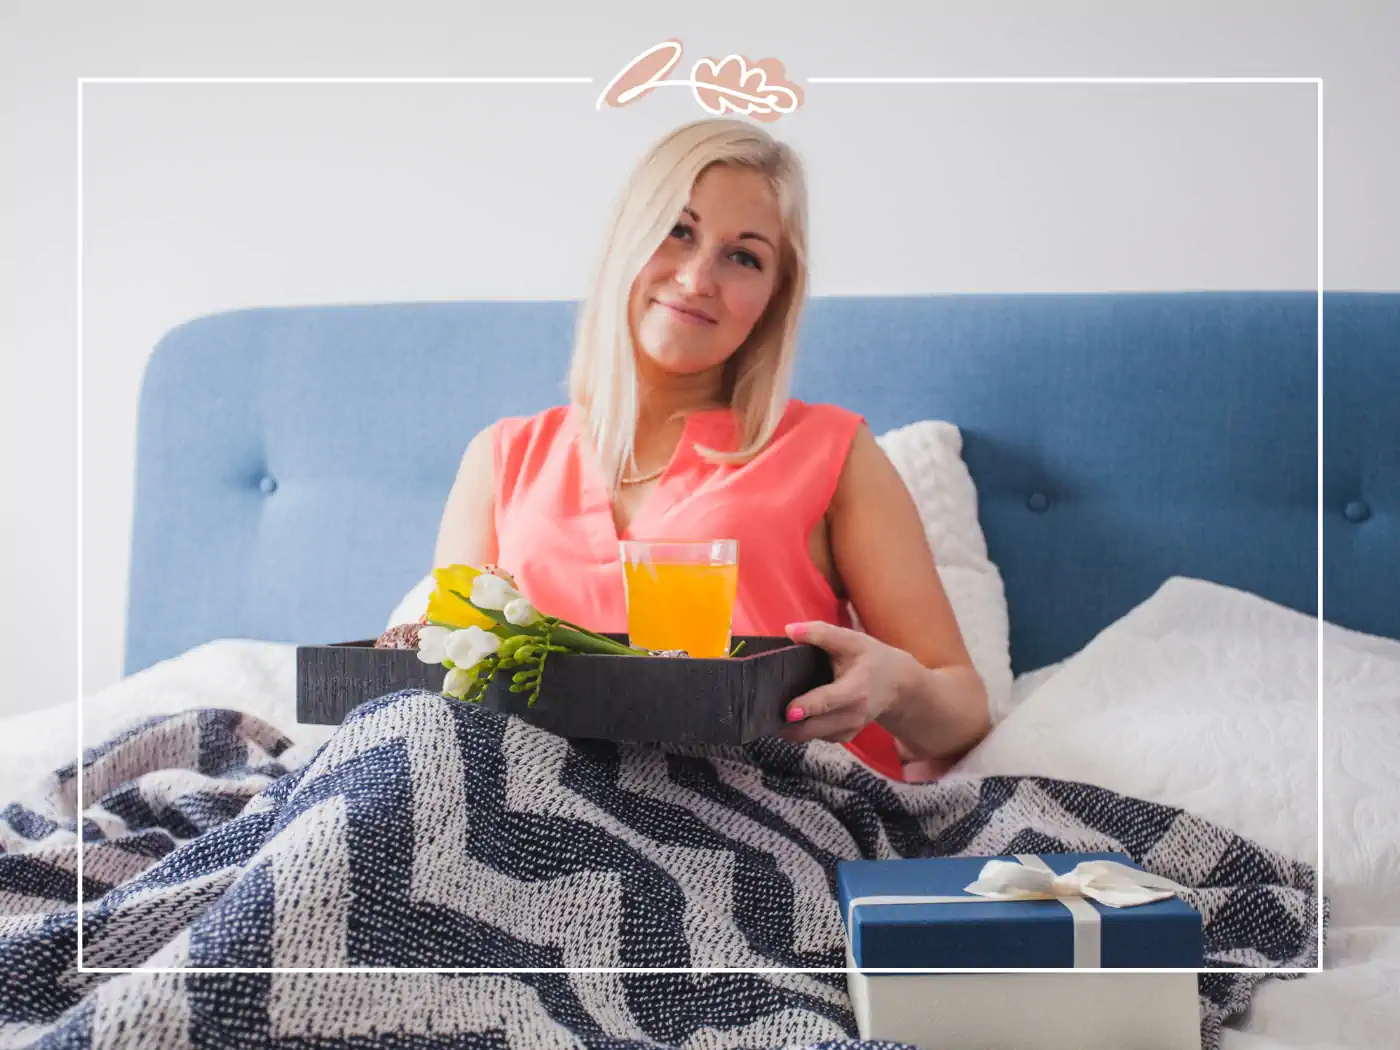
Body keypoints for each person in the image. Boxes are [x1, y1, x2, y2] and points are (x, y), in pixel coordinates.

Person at [432, 117, 989, 781]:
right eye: (679, 231)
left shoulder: (832, 452)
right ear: (625, 241)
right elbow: (446, 685)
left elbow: (962, 712)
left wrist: (893, 685)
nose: (698, 278)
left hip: (765, 805)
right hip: (535, 800)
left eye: (744, 256)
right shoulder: (502, 458)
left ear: (772, 299)